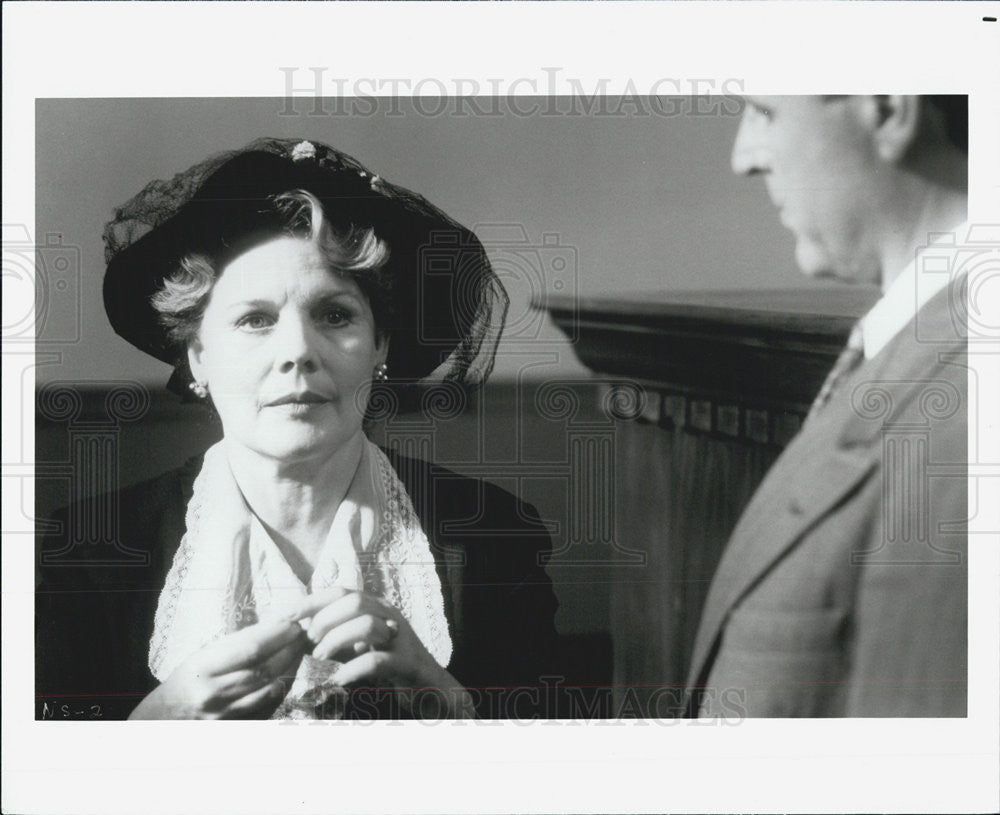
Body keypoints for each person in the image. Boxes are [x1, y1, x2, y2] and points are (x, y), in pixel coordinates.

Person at [35, 137, 559, 720]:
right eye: (255, 319)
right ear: (198, 358)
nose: (298, 352)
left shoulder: (494, 534)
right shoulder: (85, 551)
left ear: (380, 346)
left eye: (335, 315)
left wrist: (445, 699)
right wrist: (157, 722)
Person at [685, 96, 969, 717]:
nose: (742, 159)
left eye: (764, 111)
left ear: (890, 110)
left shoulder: (965, 422)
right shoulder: (916, 352)